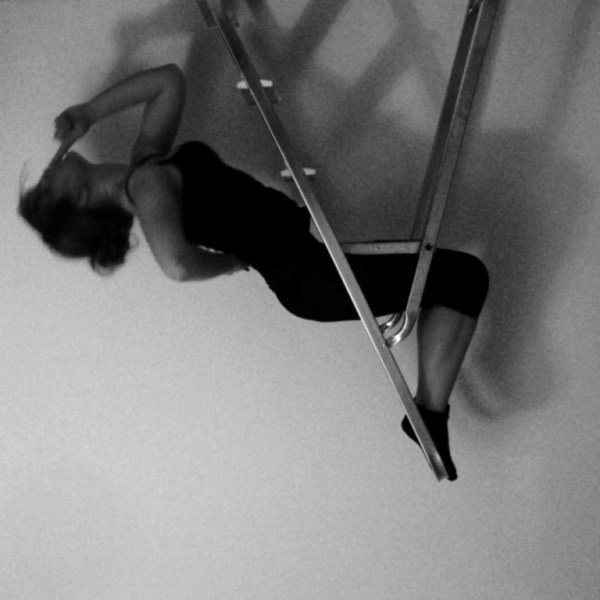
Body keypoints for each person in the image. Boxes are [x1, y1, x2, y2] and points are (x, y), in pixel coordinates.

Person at [18, 64, 488, 480]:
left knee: (458, 278)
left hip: (309, 270)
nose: (49, 170)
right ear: (80, 200)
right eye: (47, 186)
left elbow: (168, 81)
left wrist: (89, 112)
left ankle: (429, 414)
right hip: (309, 279)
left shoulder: (146, 164)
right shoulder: (146, 186)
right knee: (462, 278)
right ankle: (429, 414)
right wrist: (229, 262)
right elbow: (177, 265)